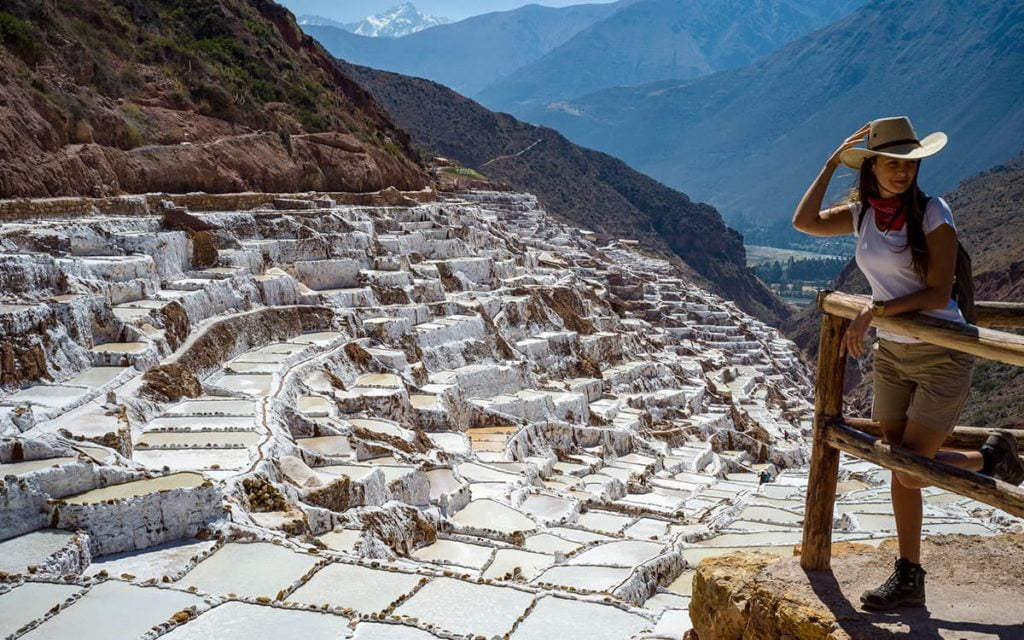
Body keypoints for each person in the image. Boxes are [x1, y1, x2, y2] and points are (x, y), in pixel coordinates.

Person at [791, 116, 1024, 611]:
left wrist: (873, 310)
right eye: (893, 163)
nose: (902, 173)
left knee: (911, 470)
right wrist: (832, 163)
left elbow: (937, 290)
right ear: (871, 165)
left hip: (940, 353)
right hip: (893, 353)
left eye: (910, 164)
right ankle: (909, 572)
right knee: (895, 461)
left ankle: (988, 458)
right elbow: (804, 223)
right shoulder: (862, 212)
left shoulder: (934, 212)